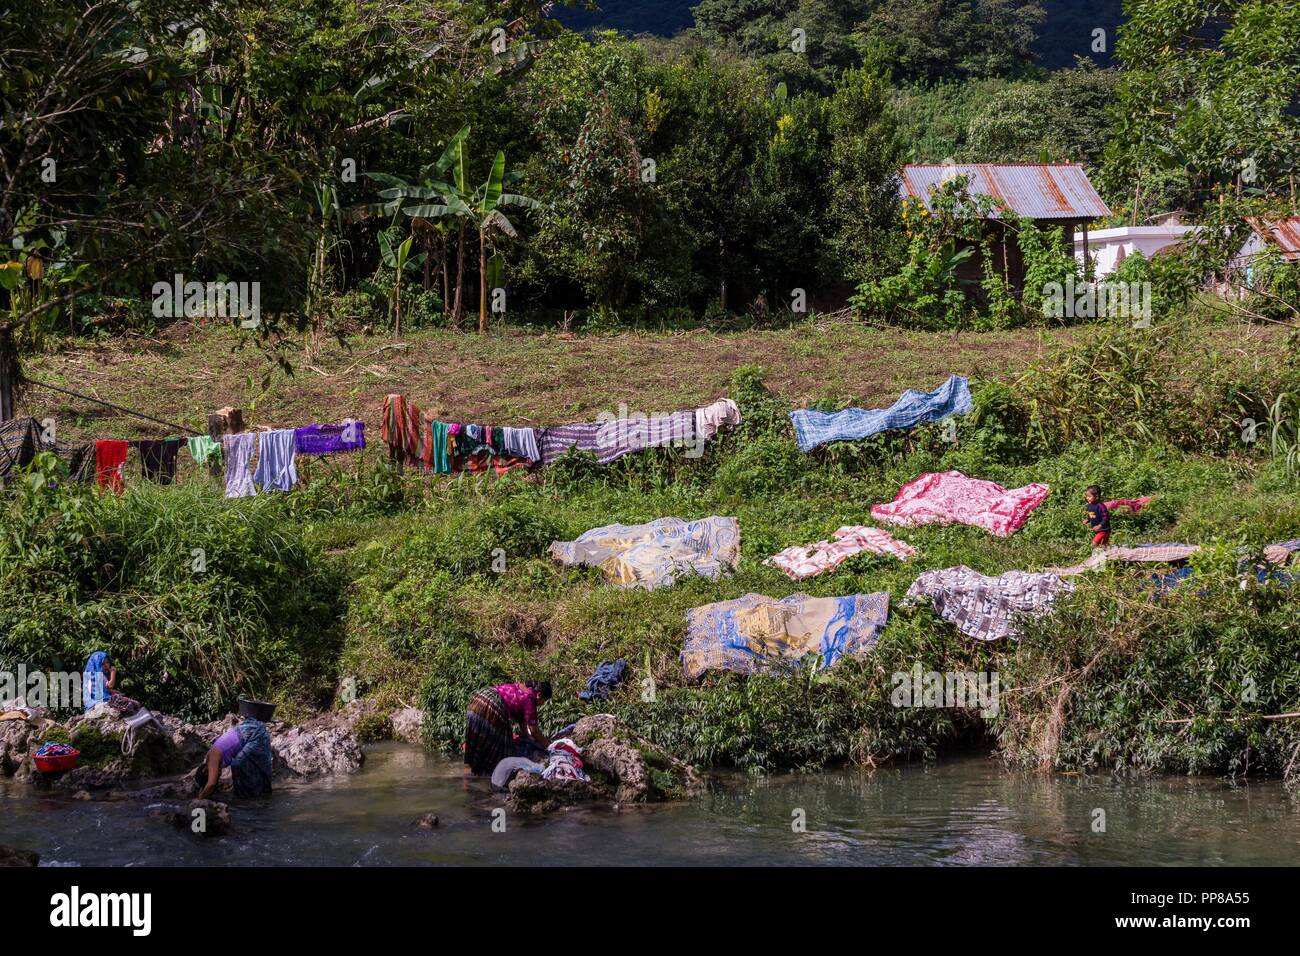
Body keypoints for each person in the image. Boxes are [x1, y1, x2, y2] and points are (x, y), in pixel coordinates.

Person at [463, 680, 552, 776]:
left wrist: (527, 736)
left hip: (479, 700)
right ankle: (488, 776)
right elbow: (535, 731)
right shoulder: (530, 699)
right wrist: (550, 747)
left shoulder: (523, 687)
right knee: (502, 745)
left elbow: (522, 721)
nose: (543, 703)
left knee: (480, 742)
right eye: (544, 700)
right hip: (491, 707)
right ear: (539, 695)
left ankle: (470, 774)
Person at [195, 717, 273, 799]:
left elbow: (211, 784)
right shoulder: (211, 756)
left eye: (211, 775)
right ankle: (256, 792)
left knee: (237, 765)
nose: (218, 775)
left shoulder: (211, 759)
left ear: (205, 771)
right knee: (246, 763)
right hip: (249, 729)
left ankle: (248, 796)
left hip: (252, 734)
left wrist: (200, 798)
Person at [81, 651, 141, 716]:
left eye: (107, 662)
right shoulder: (98, 675)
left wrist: (112, 691)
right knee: (131, 704)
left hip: (91, 703)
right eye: (102, 664)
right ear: (96, 664)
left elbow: (100, 689)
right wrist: (113, 673)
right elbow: (110, 685)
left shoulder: (89, 674)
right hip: (99, 702)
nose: (106, 665)